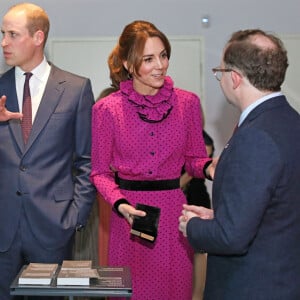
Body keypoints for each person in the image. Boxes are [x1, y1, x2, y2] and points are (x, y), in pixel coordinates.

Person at [90, 20, 215, 300]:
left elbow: (195, 159)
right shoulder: (106, 110)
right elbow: (99, 172)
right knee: (130, 293)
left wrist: (209, 167)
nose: (160, 65)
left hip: (173, 215)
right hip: (129, 217)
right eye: (148, 59)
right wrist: (120, 204)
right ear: (128, 63)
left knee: (176, 291)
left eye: (163, 55)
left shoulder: (187, 103)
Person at [179, 29, 300, 299]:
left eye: (220, 72)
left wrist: (194, 227)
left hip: (252, 286)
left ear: (234, 78)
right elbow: (276, 210)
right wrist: (219, 218)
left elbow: (232, 238)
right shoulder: (291, 122)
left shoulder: (256, 136)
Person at [0, 3, 96, 299]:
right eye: (2, 34)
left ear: (38, 37)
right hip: (3, 230)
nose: (4, 42)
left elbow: (87, 161)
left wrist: (74, 218)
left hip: (54, 228)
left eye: (12, 34)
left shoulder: (75, 89)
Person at [180, 129, 214, 300]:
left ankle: (197, 296)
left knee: (199, 251)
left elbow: (205, 156)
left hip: (195, 196)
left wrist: (175, 185)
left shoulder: (202, 136)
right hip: (184, 197)